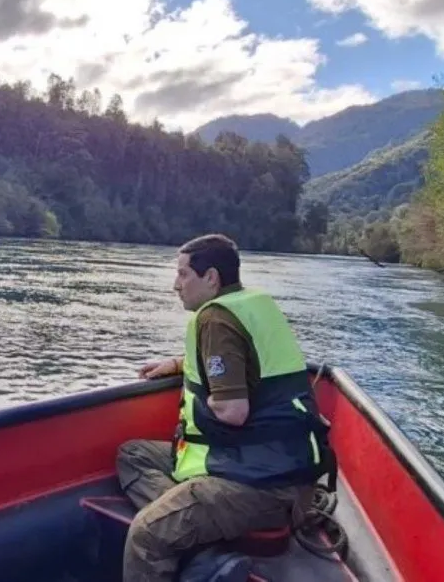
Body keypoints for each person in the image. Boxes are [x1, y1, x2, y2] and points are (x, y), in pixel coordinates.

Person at [118, 234, 331, 582]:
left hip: (262, 486)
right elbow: (240, 364)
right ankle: (204, 540)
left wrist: (209, 399)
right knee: (134, 455)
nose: (176, 285)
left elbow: (233, 411)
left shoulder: (215, 319)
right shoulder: (250, 304)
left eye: (184, 274)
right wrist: (179, 363)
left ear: (212, 277)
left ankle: (193, 536)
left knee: (147, 534)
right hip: (276, 467)